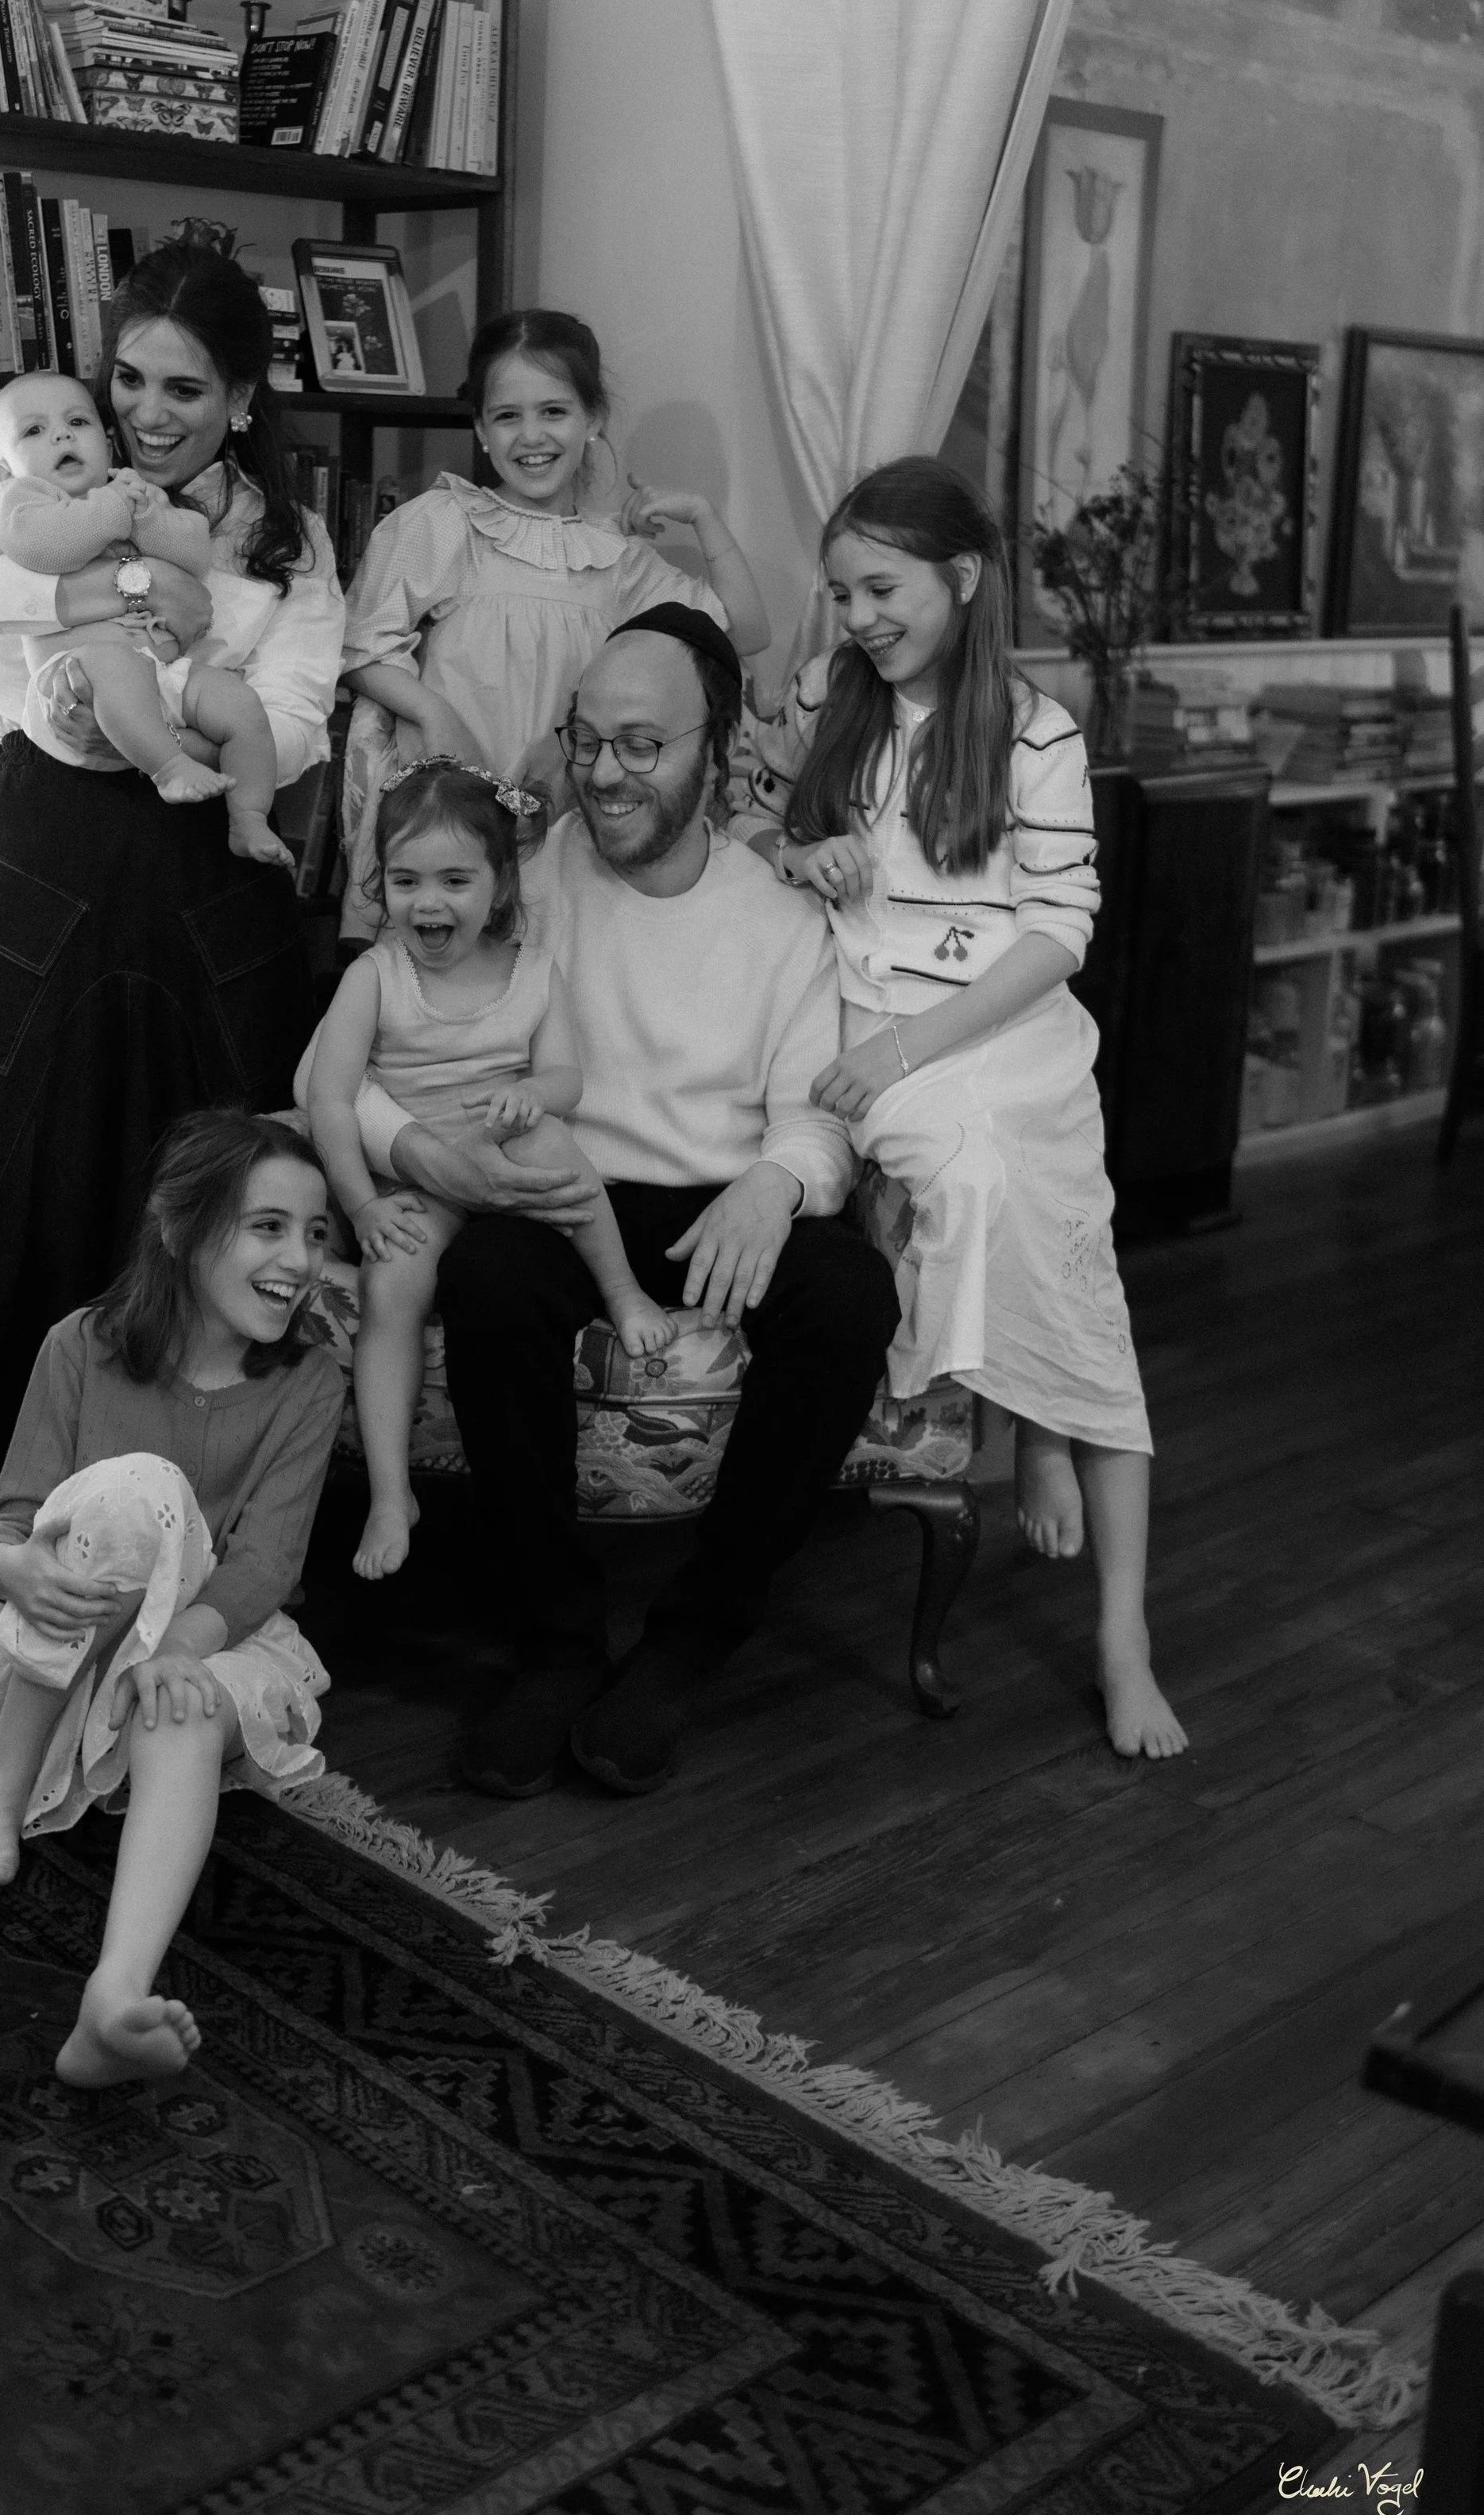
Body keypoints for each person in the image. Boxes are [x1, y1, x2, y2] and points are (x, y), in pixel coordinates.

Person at [349, 605, 900, 1799]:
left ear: (716, 747)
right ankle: (554, 1637)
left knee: (850, 1293)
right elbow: (381, 1027)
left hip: (718, 1192)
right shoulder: (518, 884)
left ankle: (696, 1633)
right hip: (557, 1183)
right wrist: (415, 1151)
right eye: (587, 740)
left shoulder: (782, 912)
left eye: (642, 745)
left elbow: (818, 1113)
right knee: (490, 1278)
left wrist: (777, 1181)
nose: (605, 772)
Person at [0, 229, 344, 1604]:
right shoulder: (30, 470)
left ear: (244, 405)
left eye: (186, 392)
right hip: (44, 845)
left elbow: (304, 717)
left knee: (197, 1200)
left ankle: (184, 1545)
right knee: (5, 1179)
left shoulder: (286, 538)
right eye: (131, 379)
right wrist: (85, 604)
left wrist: (184, 692)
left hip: (209, 850)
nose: (147, 415)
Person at [736, 455, 1184, 1762]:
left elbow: (1058, 936)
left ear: (962, 578)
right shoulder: (828, 697)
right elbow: (747, 818)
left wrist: (908, 1051)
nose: (858, 615)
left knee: (1067, 1243)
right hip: (862, 1023)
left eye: (882, 587)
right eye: (840, 591)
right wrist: (792, 847)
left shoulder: (1035, 733)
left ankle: (1117, 1618)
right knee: (975, 1185)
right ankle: (1018, 1415)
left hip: (999, 1028)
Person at [0, 1110, 344, 2085]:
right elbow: (13, 1517)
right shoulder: (80, 1347)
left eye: (316, 1233)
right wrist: (5, 1566)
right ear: (183, 1229)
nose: (301, 1258)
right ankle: (1, 1786)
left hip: (216, 1634)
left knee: (183, 1711)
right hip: (65, 1649)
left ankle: (112, 1999)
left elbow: (264, 1564)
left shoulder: (310, 1380)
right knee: (132, 1488)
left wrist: (175, 1653)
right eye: (268, 1226)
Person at [299, 758, 676, 1583]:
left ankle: (621, 1289)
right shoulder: (374, 977)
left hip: (504, 1155)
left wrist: (525, 1094)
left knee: (551, 1144)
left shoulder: (535, 973)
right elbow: (329, 1099)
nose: (427, 902)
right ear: (382, 885)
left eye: (454, 880)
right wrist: (361, 1205)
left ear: (501, 885)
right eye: (404, 880)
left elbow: (566, 1079)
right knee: (391, 1284)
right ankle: (392, 1492)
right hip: (413, 1184)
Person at [335, 307, 773, 942]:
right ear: (481, 429)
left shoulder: (617, 561)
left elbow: (746, 631)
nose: (530, 436)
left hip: (561, 828)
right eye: (507, 416)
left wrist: (704, 517)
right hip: (446, 816)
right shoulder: (442, 522)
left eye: (554, 412)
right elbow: (358, 645)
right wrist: (432, 712)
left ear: (592, 420)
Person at [0, 370, 292, 868]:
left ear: (105, 446)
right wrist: (113, 510)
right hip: (77, 683)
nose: (61, 435)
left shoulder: (130, 492)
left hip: (159, 674)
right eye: (34, 431)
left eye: (76, 422)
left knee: (240, 703)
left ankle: (248, 816)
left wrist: (150, 516)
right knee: (112, 662)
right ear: (3, 468)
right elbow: (45, 548)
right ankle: (169, 769)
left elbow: (192, 557)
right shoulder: (22, 501)